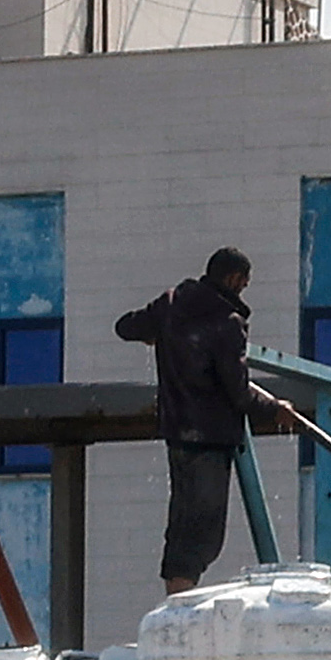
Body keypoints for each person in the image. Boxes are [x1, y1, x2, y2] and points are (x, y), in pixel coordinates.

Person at [112, 247, 261, 591]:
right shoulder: (228, 323)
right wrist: (276, 409)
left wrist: (156, 334)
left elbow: (124, 327)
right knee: (203, 535)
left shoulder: (171, 304)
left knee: (182, 527)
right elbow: (238, 393)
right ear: (233, 279)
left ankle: (175, 603)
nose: (244, 288)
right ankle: (180, 613)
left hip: (176, 432)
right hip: (211, 437)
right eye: (244, 282)